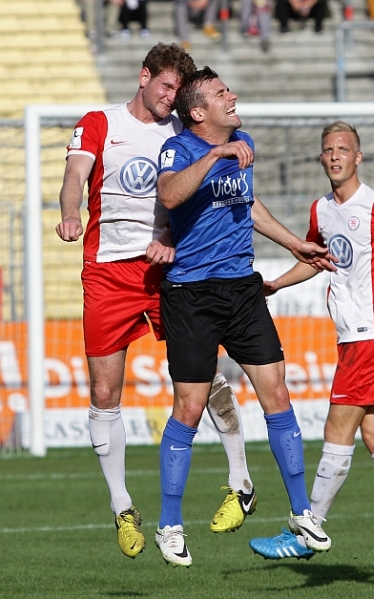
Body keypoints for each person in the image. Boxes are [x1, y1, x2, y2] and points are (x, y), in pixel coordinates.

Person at [55, 44, 257, 557]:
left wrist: (168, 236)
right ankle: (122, 507)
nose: (170, 97)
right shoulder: (101, 123)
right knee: (105, 391)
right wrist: (71, 212)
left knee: (205, 377)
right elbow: (75, 175)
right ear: (144, 77)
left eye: (177, 91)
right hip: (108, 272)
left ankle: (240, 480)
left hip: (169, 269)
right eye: (165, 86)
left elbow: (197, 194)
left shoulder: (182, 133)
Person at [249, 120, 374, 586]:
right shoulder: (320, 210)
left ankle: (308, 531)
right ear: (321, 158)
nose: (335, 156)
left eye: (343, 149)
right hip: (353, 338)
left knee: (336, 429)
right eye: (328, 150)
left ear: (358, 157)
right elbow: (317, 259)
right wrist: (278, 284)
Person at [154, 66, 335, 567]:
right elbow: (169, 195)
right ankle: (169, 525)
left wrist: (295, 243)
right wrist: (216, 154)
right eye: (220, 93)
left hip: (242, 289)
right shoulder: (180, 148)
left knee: (277, 394)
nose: (232, 96)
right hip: (191, 293)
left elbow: (247, 204)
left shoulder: (244, 143)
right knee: (190, 409)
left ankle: (302, 513)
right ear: (198, 112)